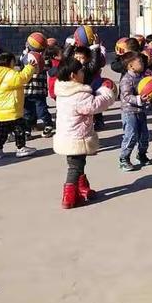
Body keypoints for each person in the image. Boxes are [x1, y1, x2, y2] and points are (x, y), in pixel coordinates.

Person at [53, 58, 116, 209]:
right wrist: (106, 92)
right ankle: (68, 197)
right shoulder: (79, 95)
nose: (83, 72)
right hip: (76, 137)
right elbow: (94, 106)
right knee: (74, 166)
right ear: (73, 75)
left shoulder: (63, 90)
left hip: (68, 135)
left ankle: (81, 188)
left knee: (78, 163)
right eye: (80, 70)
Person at [0, 52, 38, 159]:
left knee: (1, 132)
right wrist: (30, 67)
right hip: (12, 108)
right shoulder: (9, 74)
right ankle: (20, 148)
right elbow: (22, 78)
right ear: (8, 62)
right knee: (19, 129)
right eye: (13, 60)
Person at [118, 52, 150, 171]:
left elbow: (146, 90)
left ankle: (141, 154)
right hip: (129, 112)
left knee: (144, 135)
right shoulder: (126, 79)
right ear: (131, 66)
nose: (142, 64)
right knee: (131, 135)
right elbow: (126, 96)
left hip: (140, 111)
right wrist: (139, 99)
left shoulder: (141, 77)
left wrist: (149, 96)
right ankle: (124, 159)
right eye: (140, 62)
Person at [20, 48, 54, 138]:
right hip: (27, 92)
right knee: (27, 113)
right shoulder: (25, 58)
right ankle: (27, 130)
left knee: (42, 111)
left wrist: (40, 57)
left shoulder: (43, 60)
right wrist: (25, 56)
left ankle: (48, 125)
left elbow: (48, 67)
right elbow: (21, 68)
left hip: (39, 92)